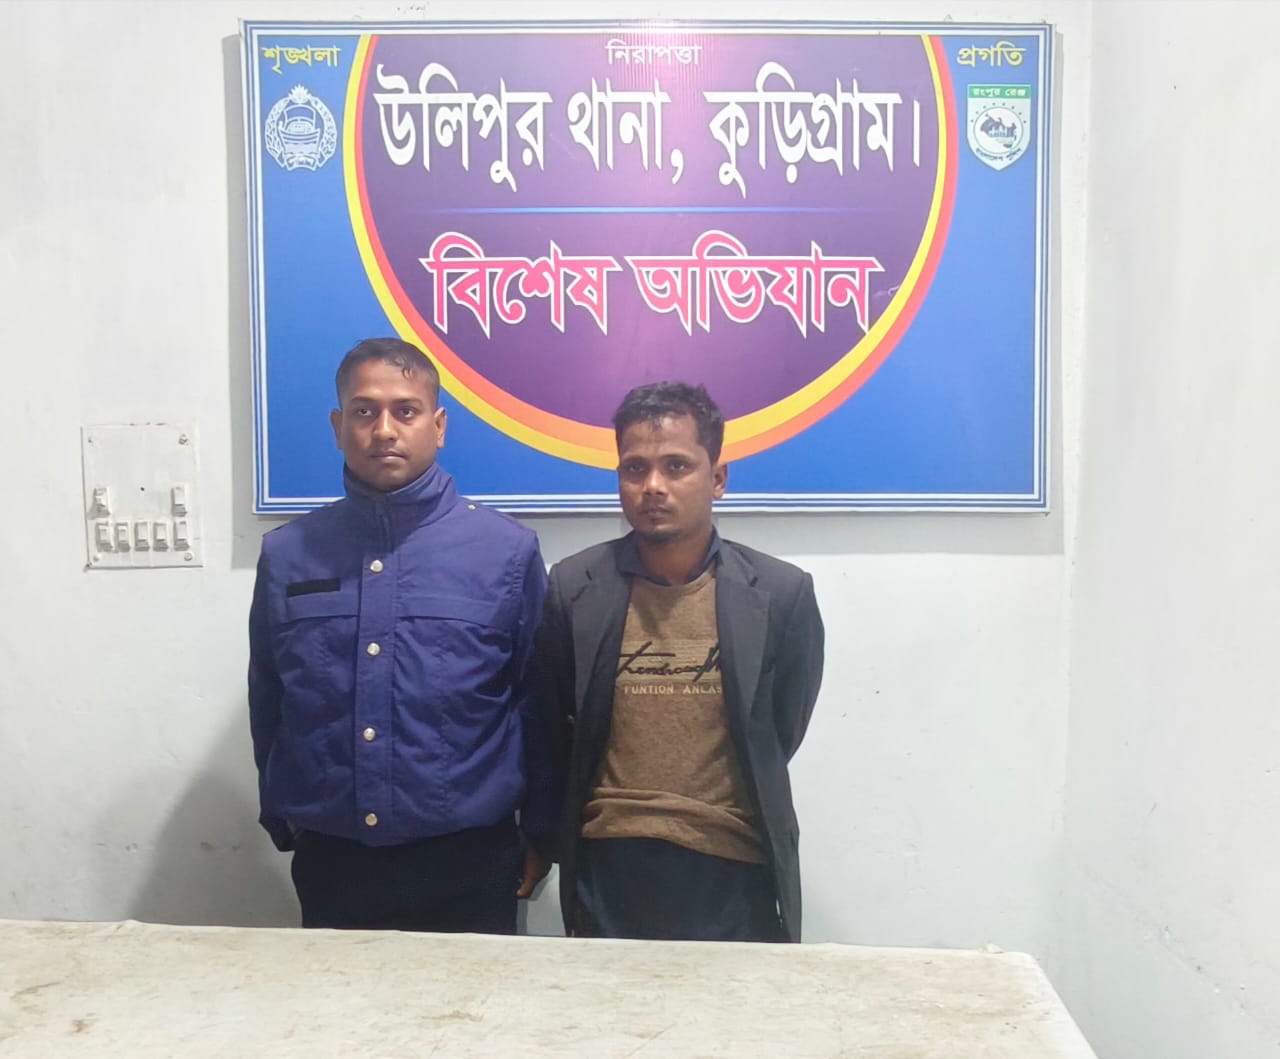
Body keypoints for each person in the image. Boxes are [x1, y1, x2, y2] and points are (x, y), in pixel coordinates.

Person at [248, 337, 555, 933]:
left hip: (471, 862)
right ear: (338, 427)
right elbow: (269, 695)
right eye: (364, 411)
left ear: (438, 427)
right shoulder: (288, 555)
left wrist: (541, 832)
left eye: (405, 411)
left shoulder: (505, 552)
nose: (384, 430)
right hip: (334, 861)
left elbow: (535, 705)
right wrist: (285, 816)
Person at [537, 381, 824, 942]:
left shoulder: (781, 593)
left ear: (717, 478)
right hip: (608, 865)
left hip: (733, 866)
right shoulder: (573, 588)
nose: (653, 486)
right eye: (634, 468)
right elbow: (554, 727)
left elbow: (777, 731)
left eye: (676, 466)